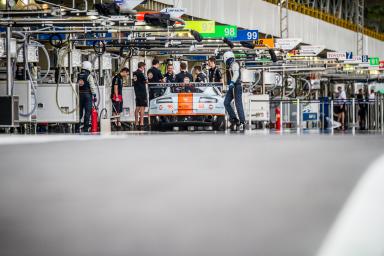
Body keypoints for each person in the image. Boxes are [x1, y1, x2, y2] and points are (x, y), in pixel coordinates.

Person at [223, 51, 245, 131]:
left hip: (236, 86)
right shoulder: (230, 66)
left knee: (238, 104)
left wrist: (232, 82)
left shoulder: (234, 64)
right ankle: (234, 119)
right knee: (226, 102)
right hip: (232, 87)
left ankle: (242, 122)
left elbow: (236, 74)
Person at [77, 61, 96, 132]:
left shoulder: (78, 75)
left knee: (79, 112)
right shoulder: (89, 76)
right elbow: (92, 86)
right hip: (87, 95)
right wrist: (94, 94)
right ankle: (85, 128)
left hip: (79, 95)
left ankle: (77, 127)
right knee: (88, 112)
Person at [133, 62, 147, 130]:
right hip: (142, 92)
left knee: (137, 107)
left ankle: (136, 122)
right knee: (142, 107)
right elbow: (146, 81)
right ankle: (141, 123)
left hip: (137, 92)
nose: (144, 68)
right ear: (142, 66)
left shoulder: (135, 73)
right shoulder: (141, 73)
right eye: (144, 67)